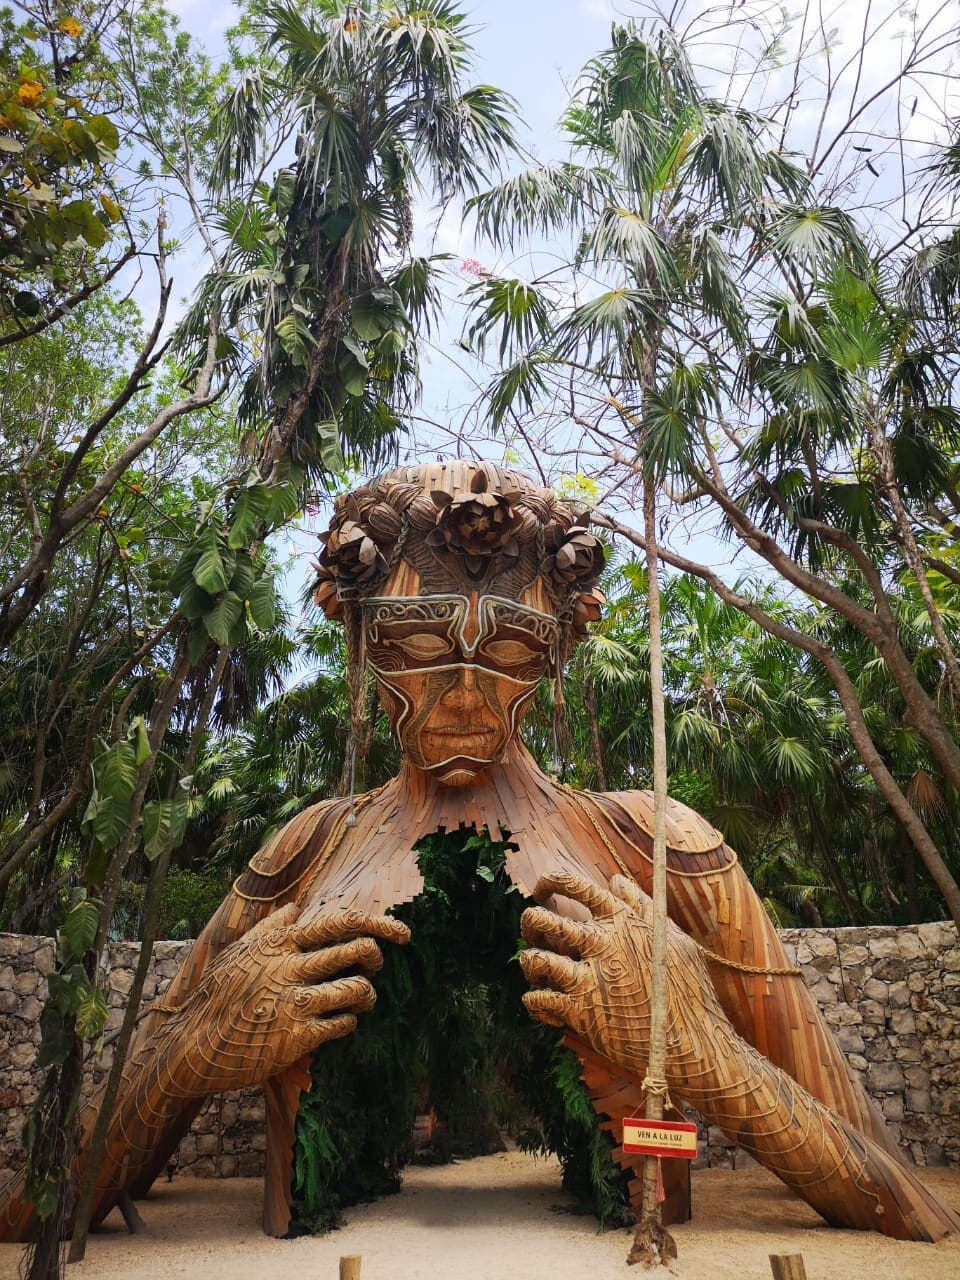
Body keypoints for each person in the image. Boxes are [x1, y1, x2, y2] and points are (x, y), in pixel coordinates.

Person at [3, 460, 956, 1243]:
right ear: (365, 646)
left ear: (553, 659)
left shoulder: (660, 847)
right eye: (418, 649)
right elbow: (37, 1208)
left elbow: (902, 1201)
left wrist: (700, 1052)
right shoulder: (307, 847)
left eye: (503, 656)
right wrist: (198, 1044)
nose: (461, 694)